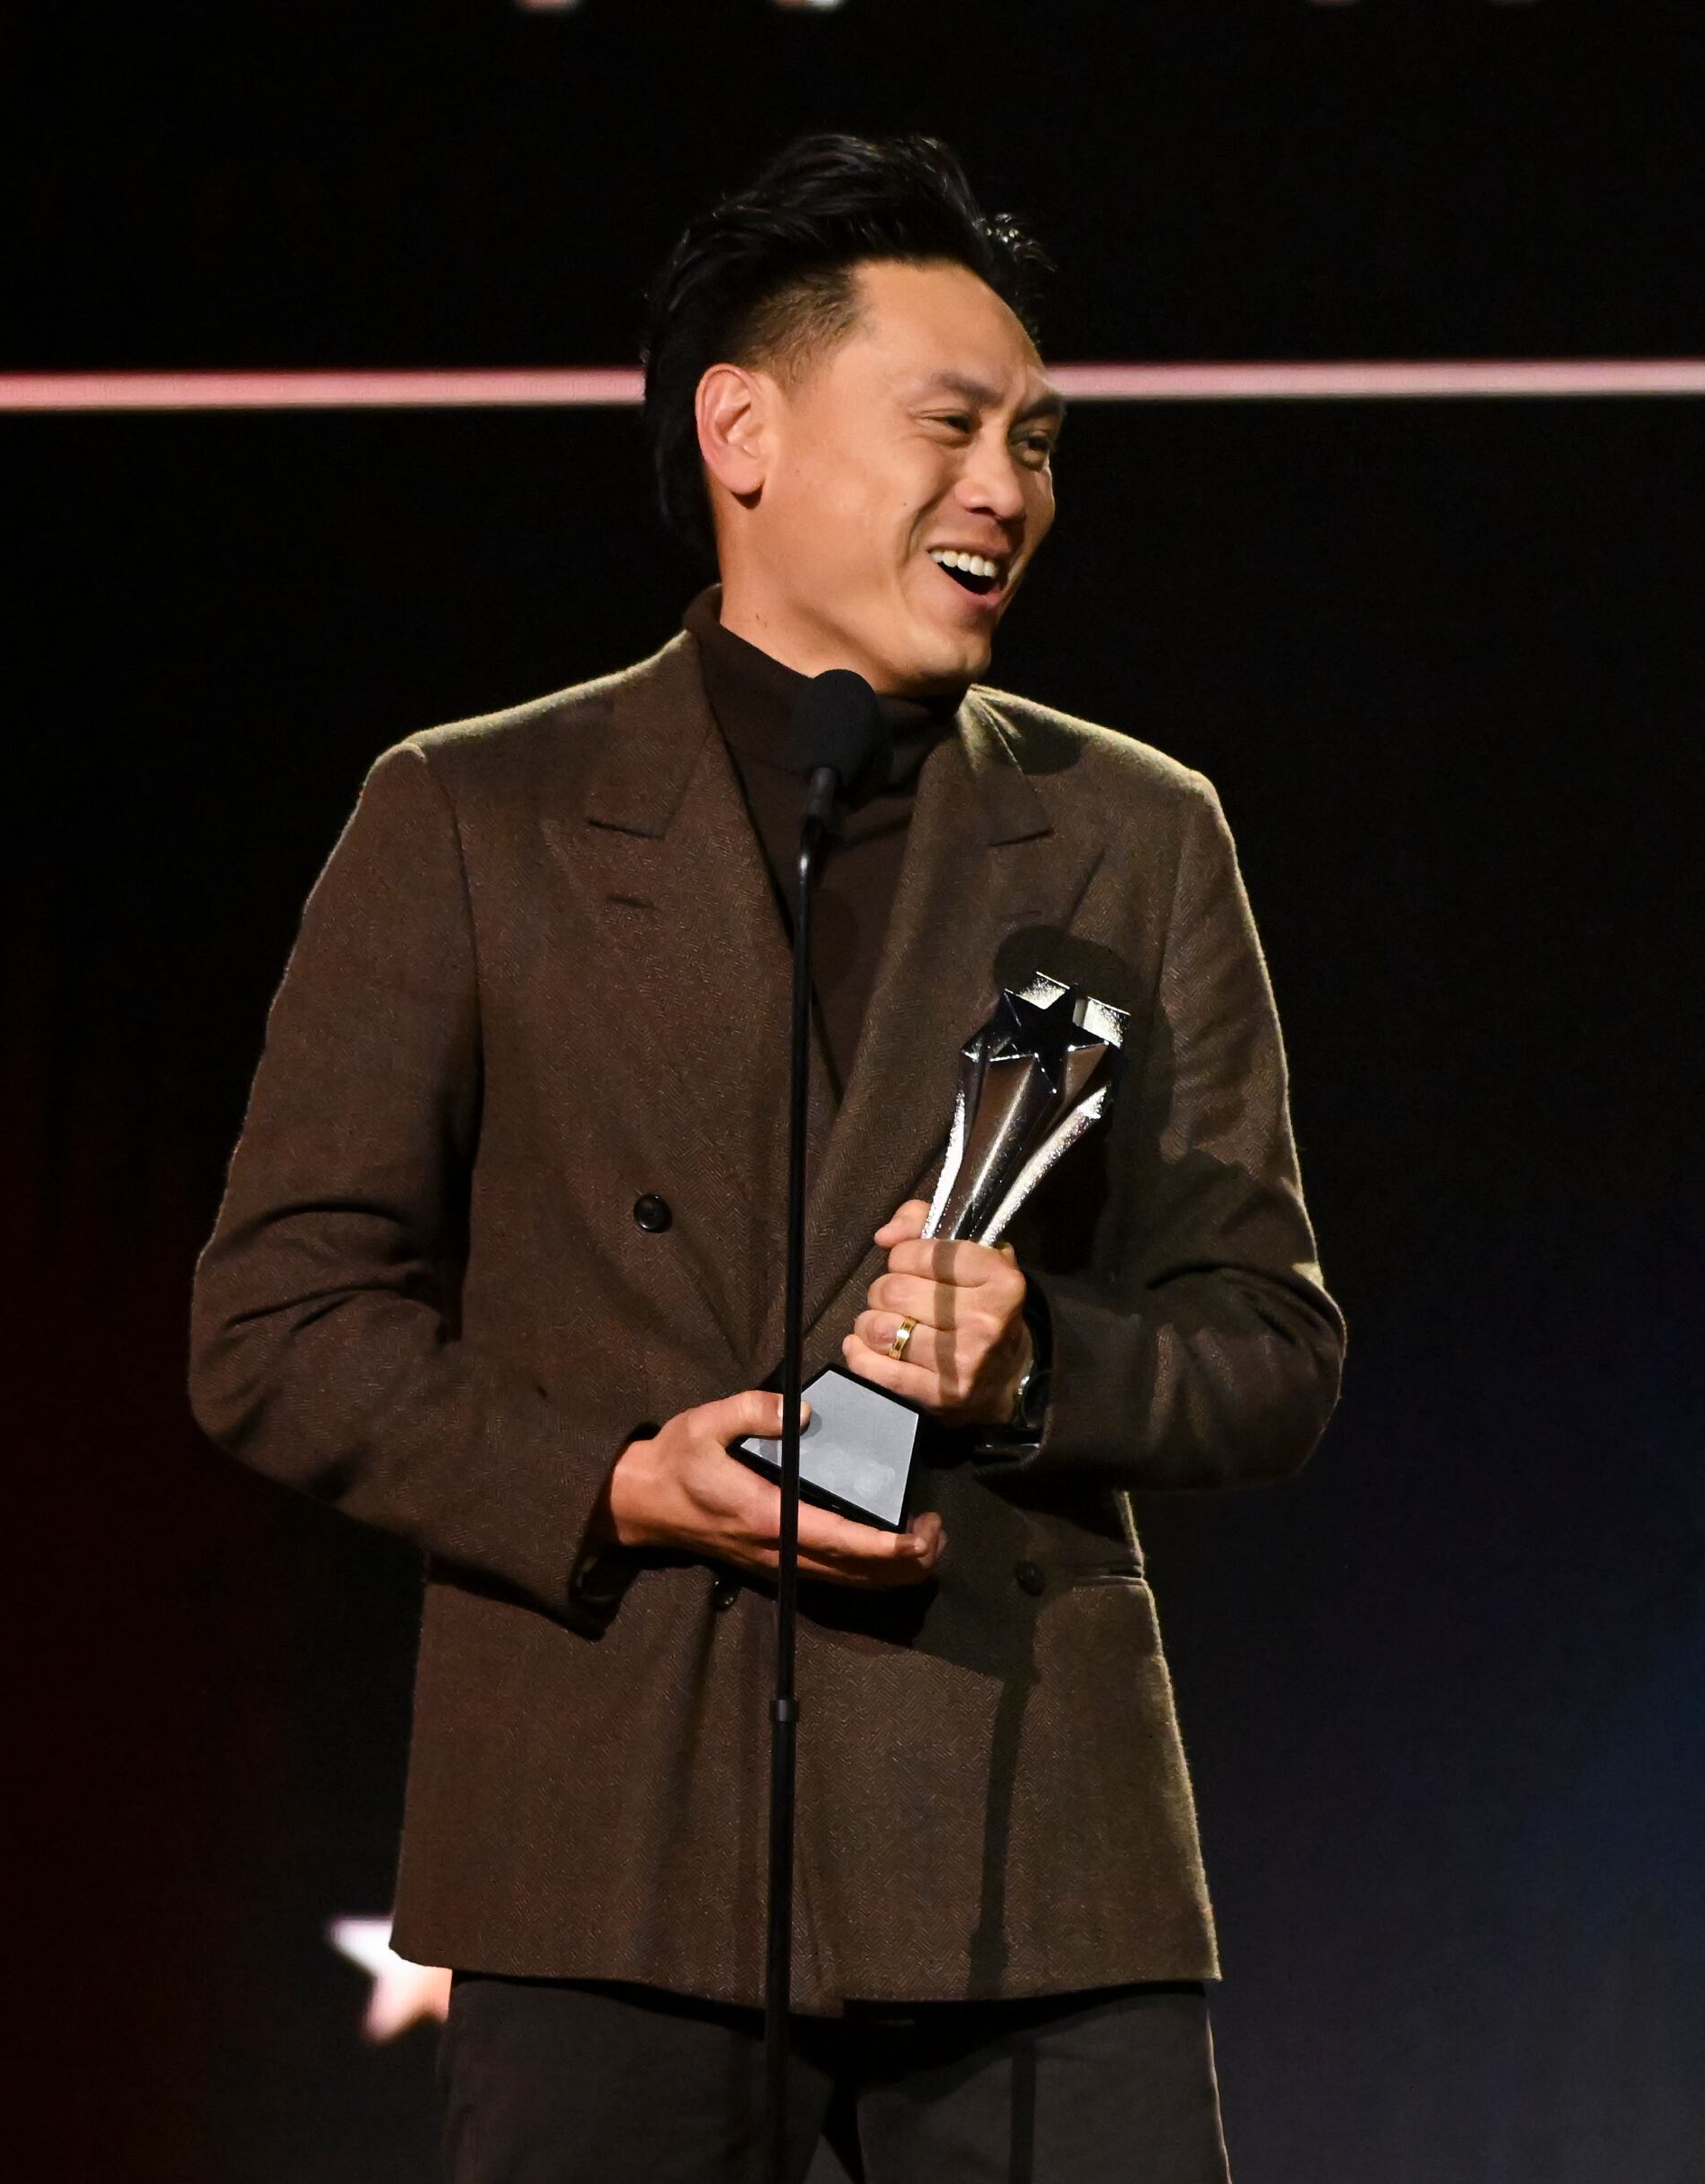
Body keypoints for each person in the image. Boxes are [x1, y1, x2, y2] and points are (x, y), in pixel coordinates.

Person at [189, 133, 1344, 2184]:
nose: (1005, 489)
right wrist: (610, 1479)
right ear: (744, 430)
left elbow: (1269, 1340)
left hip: (1023, 1850)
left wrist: (1036, 1368)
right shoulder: (471, 816)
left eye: (1036, 443)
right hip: (610, 1833)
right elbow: (276, 1322)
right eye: (949, 425)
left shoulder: (1135, 831)